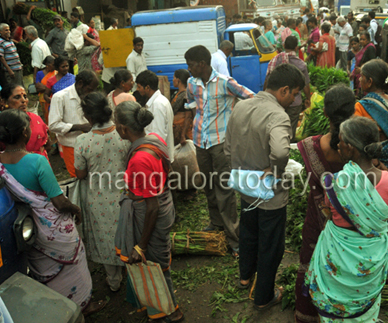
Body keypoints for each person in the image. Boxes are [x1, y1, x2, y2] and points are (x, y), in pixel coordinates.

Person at [0, 109, 106, 316]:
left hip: (26, 226)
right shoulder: (37, 162)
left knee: (42, 266)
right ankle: (83, 304)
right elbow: (58, 201)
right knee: (75, 263)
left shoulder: (0, 163)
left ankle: (55, 307)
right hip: (53, 229)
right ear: (24, 133)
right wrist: (75, 210)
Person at [225, 63, 306, 311]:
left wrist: (242, 170)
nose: (294, 99)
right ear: (283, 90)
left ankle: (244, 277)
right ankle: (263, 297)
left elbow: (228, 146)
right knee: (270, 244)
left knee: (249, 233)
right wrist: (275, 170)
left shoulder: (241, 106)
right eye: (293, 94)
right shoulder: (278, 115)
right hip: (270, 196)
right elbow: (281, 151)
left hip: (245, 188)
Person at [304, 116, 388, 322]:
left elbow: (329, 214)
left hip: (338, 255)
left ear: (350, 148)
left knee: (335, 301)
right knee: (364, 305)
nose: (337, 144)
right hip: (371, 258)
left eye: (341, 140)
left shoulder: (334, 182)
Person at [113, 101, 183, 322]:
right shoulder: (155, 140)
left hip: (152, 215)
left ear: (124, 128)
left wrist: (140, 245)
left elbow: (151, 207)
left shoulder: (139, 159)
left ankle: (170, 312)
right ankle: (158, 307)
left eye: (116, 124)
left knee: (156, 267)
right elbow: (168, 172)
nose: (115, 127)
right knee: (157, 264)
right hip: (164, 204)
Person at [295, 84, 357, 323]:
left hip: (317, 224)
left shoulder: (311, 146)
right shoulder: (359, 151)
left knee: (311, 264)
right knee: (345, 269)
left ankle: (308, 314)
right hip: (351, 228)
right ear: (353, 111)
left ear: (325, 114)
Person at [184, 45, 254, 256]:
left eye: (190, 65)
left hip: (220, 143)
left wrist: (238, 123)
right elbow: (192, 105)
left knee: (224, 190)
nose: (188, 69)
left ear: (202, 64)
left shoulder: (225, 82)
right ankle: (216, 223)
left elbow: (251, 98)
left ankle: (234, 238)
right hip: (200, 142)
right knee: (208, 185)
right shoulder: (191, 83)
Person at [75, 92, 129, 292]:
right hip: (124, 193)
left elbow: (80, 174)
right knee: (126, 232)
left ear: (88, 117)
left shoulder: (83, 141)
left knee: (105, 235)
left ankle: (113, 280)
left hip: (98, 197)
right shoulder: (124, 133)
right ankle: (130, 271)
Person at [354, 59, 388, 173]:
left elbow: (358, 140)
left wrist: (375, 162)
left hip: (370, 164)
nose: (359, 79)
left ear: (370, 81)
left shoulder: (360, 106)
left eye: (362, 76)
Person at [48, 70, 98, 177]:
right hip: (72, 146)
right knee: (78, 178)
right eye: (89, 89)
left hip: (92, 144)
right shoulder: (60, 97)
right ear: (80, 83)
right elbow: (53, 125)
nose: (91, 93)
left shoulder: (88, 96)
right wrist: (79, 127)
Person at [265, 36, 311, 140]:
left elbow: (267, 81)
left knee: (275, 128)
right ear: (296, 48)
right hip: (294, 104)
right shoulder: (301, 64)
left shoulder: (275, 60)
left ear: (284, 46)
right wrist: (308, 98)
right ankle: (287, 148)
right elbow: (306, 85)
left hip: (276, 102)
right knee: (290, 130)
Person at [0, 84, 50, 160]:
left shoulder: (35, 118)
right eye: (17, 97)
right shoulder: (2, 122)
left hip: (40, 165)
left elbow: (47, 145)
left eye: (25, 97)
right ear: (4, 102)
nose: (23, 100)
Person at [136, 70, 175, 159]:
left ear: (147, 87)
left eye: (139, 87)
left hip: (158, 156)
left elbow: (158, 136)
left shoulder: (157, 105)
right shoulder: (159, 101)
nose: (137, 89)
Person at [350, 31, 376, 96]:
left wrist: (361, 68)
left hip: (366, 75)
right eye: (360, 39)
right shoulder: (364, 47)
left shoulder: (370, 48)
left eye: (363, 39)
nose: (361, 41)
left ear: (368, 40)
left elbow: (372, 62)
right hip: (360, 74)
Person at [171, 69, 193, 145]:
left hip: (184, 132)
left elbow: (188, 117)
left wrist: (183, 135)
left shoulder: (186, 96)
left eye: (174, 78)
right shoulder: (177, 94)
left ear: (178, 80)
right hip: (177, 130)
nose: (172, 80)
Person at [35, 55, 56, 123]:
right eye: (53, 64)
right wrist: (50, 87)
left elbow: (57, 86)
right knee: (47, 117)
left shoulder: (56, 72)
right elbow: (38, 88)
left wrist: (45, 87)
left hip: (54, 98)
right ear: (47, 65)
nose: (54, 66)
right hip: (44, 99)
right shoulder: (40, 73)